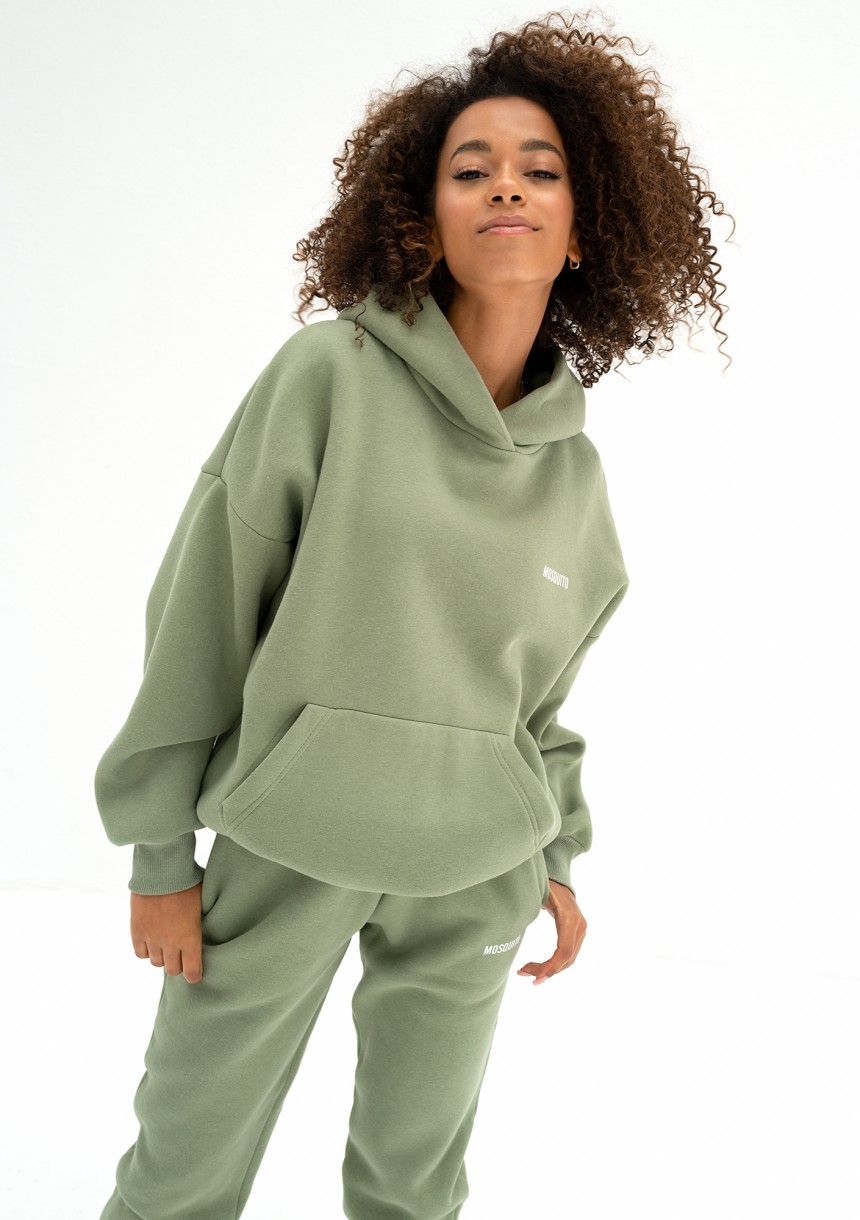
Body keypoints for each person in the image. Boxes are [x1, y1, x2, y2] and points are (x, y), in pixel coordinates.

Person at [94, 10, 734, 1218]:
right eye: (469, 168)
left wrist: (553, 857)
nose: (506, 186)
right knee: (180, 1170)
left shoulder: (575, 479)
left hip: (477, 873)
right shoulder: (324, 379)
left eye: (540, 170)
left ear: (583, 228)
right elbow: (201, 621)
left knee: (415, 1185)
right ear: (420, 216)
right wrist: (157, 852)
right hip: (286, 844)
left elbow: (538, 707)